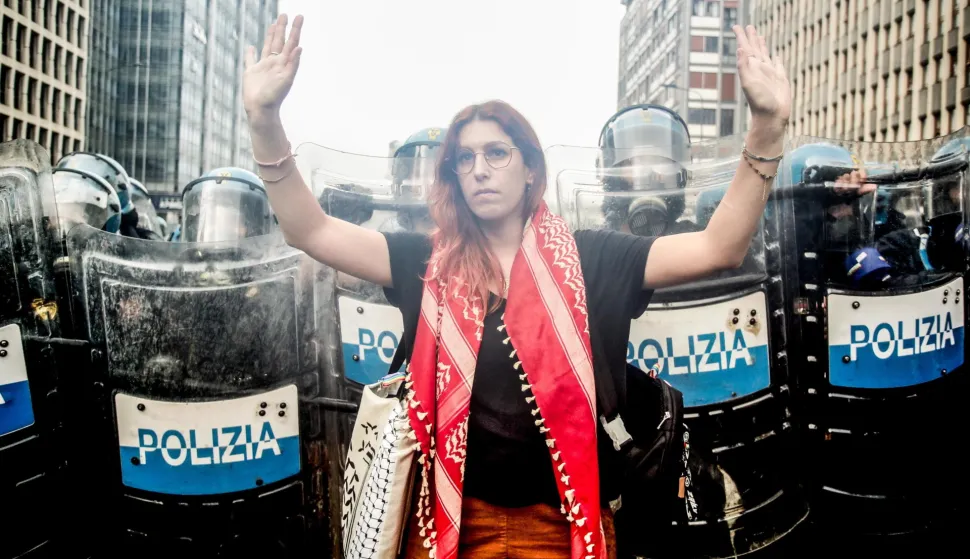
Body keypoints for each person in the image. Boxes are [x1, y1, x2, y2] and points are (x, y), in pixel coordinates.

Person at [242, 13, 790, 559]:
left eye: (496, 153)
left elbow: (720, 247)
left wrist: (766, 125)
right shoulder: (426, 260)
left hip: (560, 526)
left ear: (530, 168)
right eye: (465, 158)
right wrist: (265, 118)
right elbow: (308, 229)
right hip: (443, 523)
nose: (479, 169)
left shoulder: (591, 257)